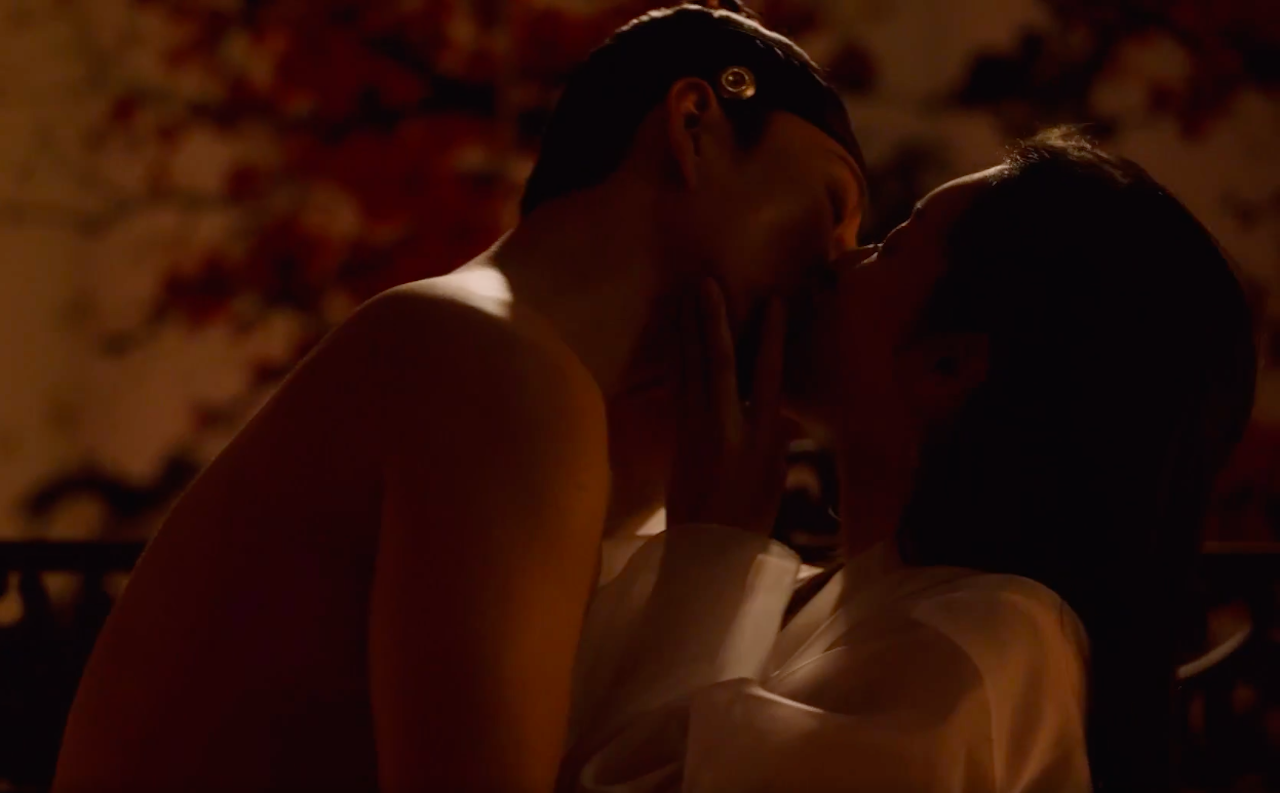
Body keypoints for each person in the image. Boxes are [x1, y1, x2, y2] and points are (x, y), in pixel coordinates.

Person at [51, 5, 867, 793]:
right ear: (694, 124)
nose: (839, 264)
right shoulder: (493, 363)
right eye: (832, 207)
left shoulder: (502, 368)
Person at [561, 129, 1257, 792]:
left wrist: (712, 544)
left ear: (948, 364)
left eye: (889, 246)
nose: (836, 261)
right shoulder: (839, 596)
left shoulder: (987, 647)